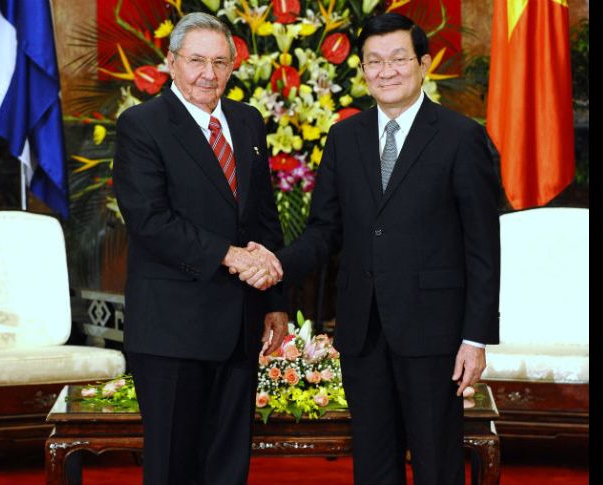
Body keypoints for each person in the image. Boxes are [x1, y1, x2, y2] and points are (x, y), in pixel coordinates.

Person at [238, 12, 500, 485]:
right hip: (362, 330)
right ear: (362, 71)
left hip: (434, 332)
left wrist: (475, 338)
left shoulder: (462, 137)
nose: (386, 71)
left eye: (398, 59)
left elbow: (483, 245)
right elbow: (324, 230)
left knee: (436, 463)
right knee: (374, 465)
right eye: (374, 62)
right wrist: (276, 263)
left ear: (423, 64)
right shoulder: (345, 137)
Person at [112, 12, 288, 485]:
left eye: (219, 62)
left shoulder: (248, 122)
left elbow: (262, 219)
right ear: (171, 62)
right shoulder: (141, 125)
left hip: (240, 326)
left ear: (232, 67)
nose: (208, 74)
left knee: (228, 464)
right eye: (195, 61)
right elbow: (150, 221)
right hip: (172, 328)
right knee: (173, 464)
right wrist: (231, 256)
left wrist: (274, 303)